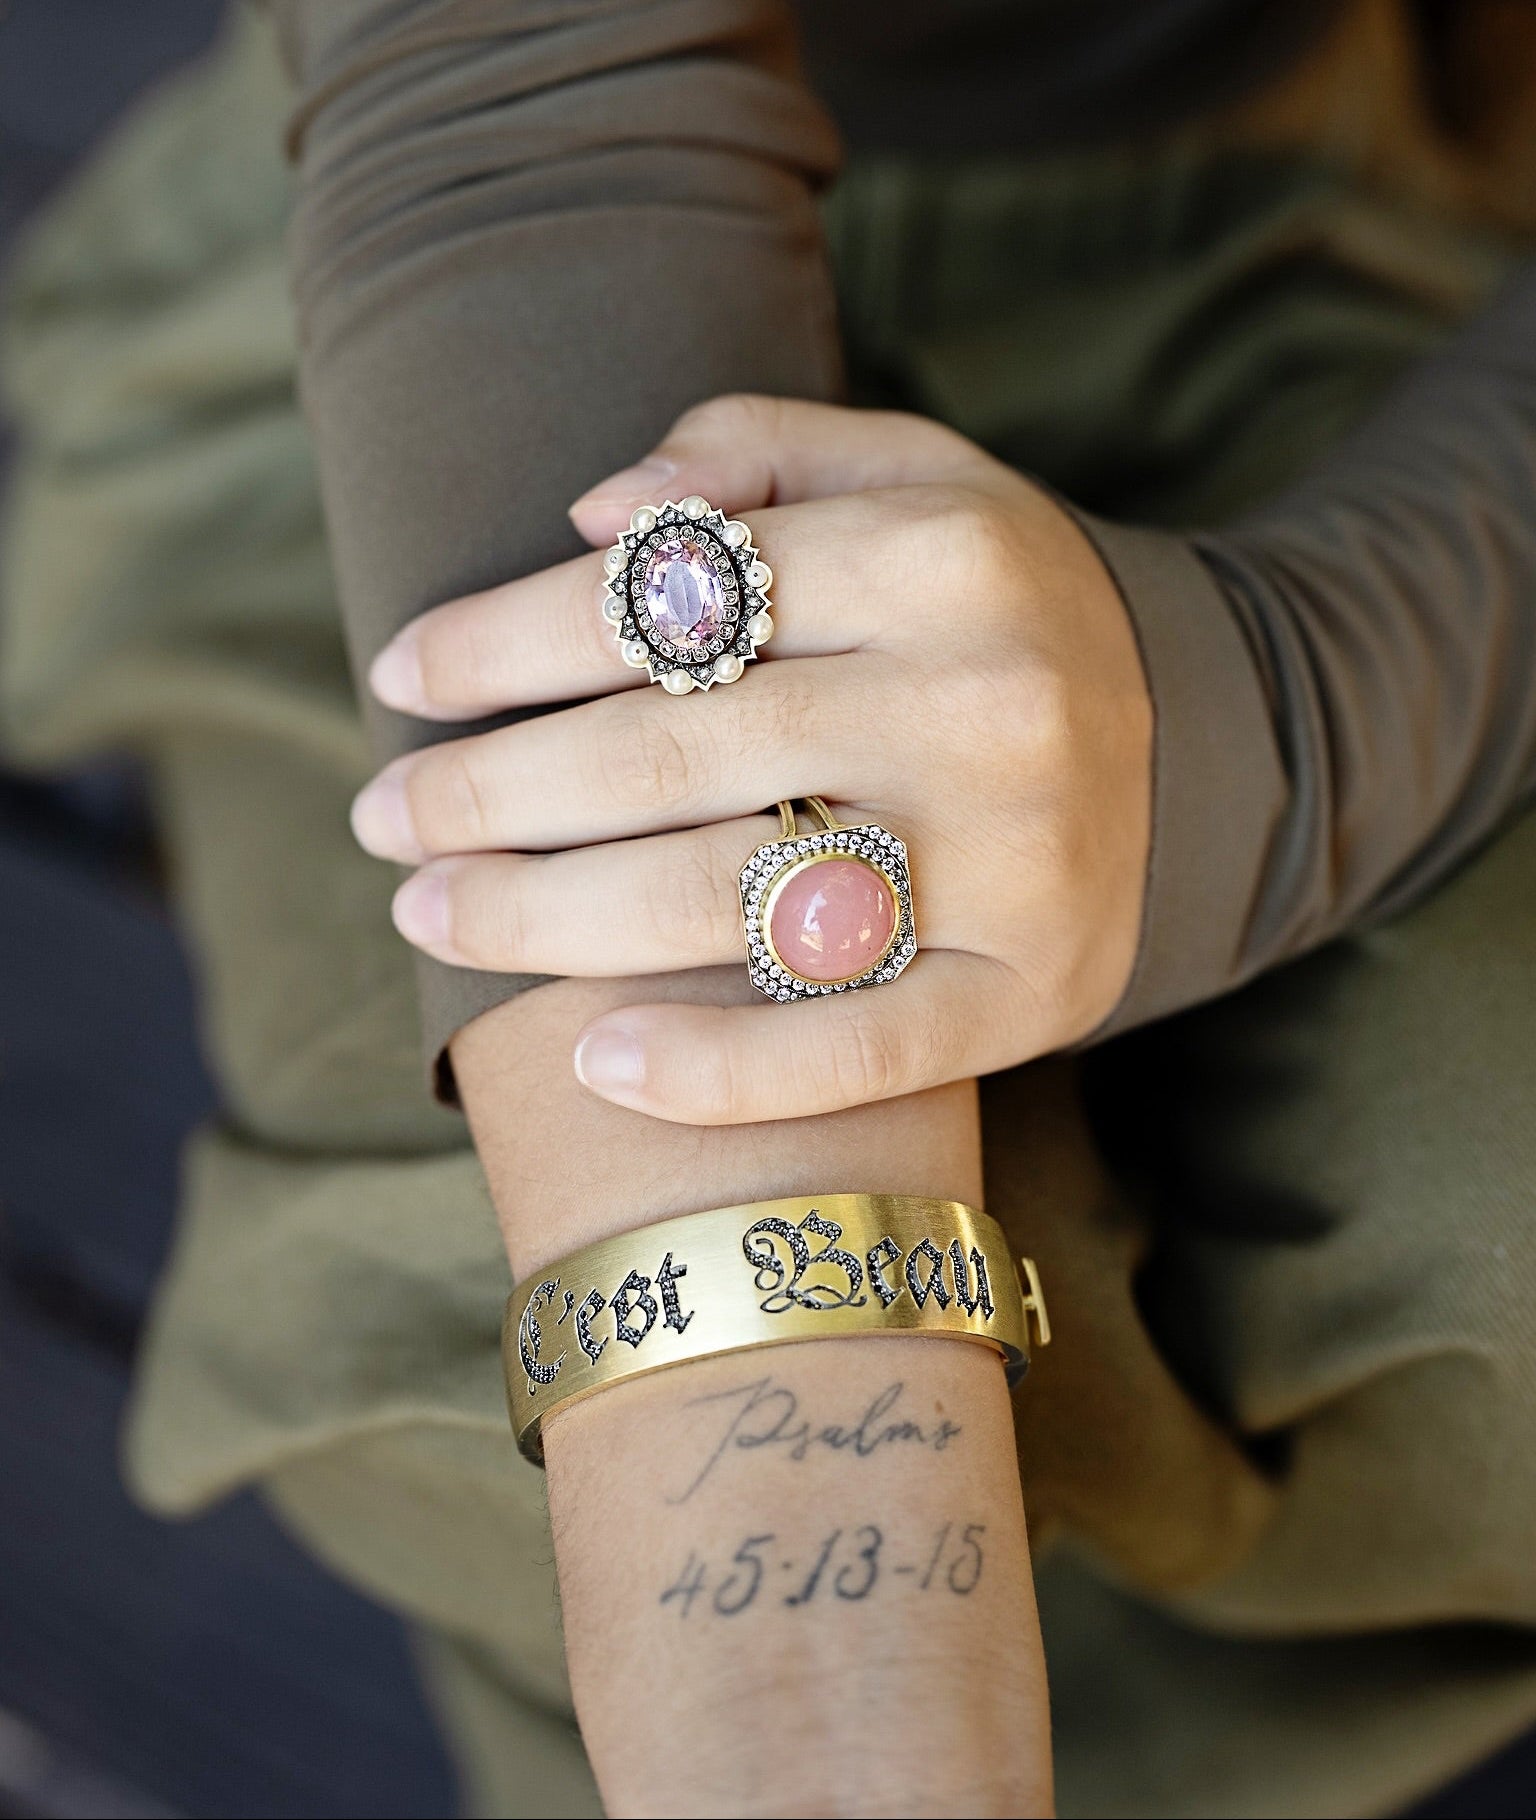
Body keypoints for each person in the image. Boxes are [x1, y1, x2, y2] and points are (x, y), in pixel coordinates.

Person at [4, 1, 1535, 1813]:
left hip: (1372, 289)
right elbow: (529, 114)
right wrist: (796, 1593)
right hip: (465, 295)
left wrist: (1289, 709)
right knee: (467, 1385)